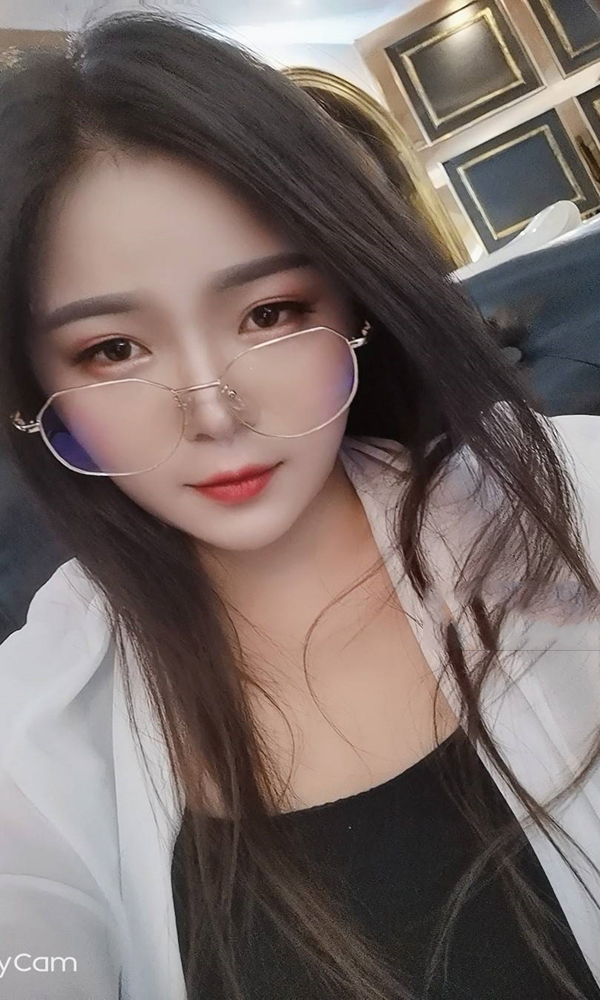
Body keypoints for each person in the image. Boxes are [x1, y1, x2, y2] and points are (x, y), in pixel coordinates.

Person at [1, 13, 600, 1000]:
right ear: (35, 381)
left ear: (354, 301)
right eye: (113, 349)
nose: (214, 413)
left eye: (269, 313)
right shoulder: (37, 720)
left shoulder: (567, 498)